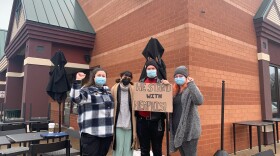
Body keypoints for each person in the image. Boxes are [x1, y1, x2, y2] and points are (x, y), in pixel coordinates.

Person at [70, 68, 114, 156]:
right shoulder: (87, 90)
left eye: (103, 76)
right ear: (93, 77)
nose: (101, 77)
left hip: (107, 133)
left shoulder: (108, 91)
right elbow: (75, 98)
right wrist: (78, 81)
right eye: (99, 75)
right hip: (91, 133)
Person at [136, 59, 169, 156]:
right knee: (144, 150)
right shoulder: (141, 83)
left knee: (157, 149)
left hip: (157, 122)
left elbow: (167, 102)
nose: (151, 70)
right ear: (146, 69)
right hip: (143, 122)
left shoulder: (162, 83)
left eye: (153, 68)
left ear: (156, 69)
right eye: (149, 68)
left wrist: (167, 87)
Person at [169, 66, 204, 156]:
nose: (178, 78)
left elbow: (199, 101)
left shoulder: (190, 89)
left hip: (189, 132)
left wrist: (191, 84)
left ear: (186, 77)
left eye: (181, 76)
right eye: (176, 76)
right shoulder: (175, 92)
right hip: (178, 130)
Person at [111, 71, 137, 156]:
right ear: (121, 76)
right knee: (118, 148)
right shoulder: (114, 89)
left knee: (128, 149)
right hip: (118, 123)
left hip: (130, 124)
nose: (127, 78)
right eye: (125, 76)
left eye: (129, 77)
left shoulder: (134, 89)